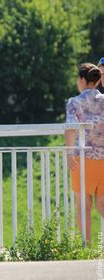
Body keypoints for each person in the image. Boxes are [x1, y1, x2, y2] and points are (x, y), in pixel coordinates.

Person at [65, 62, 104, 244]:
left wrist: (68, 152)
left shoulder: (74, 102)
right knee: (102, 204)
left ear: (82, 79)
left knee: (83, 205)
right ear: (97, 81)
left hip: (81, 159)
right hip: (103, 158)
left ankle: (86, 248)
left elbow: (72, 128)